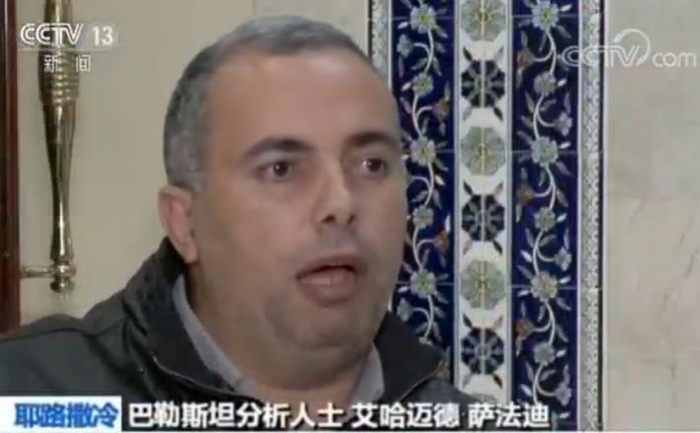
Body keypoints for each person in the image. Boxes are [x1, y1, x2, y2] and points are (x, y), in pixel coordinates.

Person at [0, 15, 476, 428]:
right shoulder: (29, 398)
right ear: (184, 223)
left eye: (371, 165)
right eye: (281, 169)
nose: (340, 201)